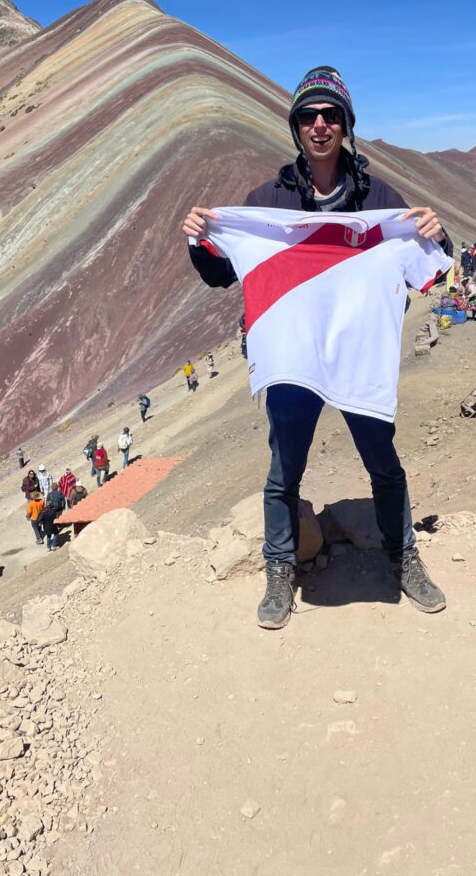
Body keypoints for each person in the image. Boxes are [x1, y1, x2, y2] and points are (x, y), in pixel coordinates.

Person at [182, 64, 450, 629]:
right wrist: (203, 242)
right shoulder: (268, 202)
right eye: (309, 116)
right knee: (285, 469)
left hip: (358, 353)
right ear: (296, 127)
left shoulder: (379, 197)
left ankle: (405, 560)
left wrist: (434, 234)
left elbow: (431, 272)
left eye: (331, 115)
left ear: (346, 124)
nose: (320, 125)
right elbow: (221, 275)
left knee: (383, 461)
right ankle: (280, 570)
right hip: (293, 359)